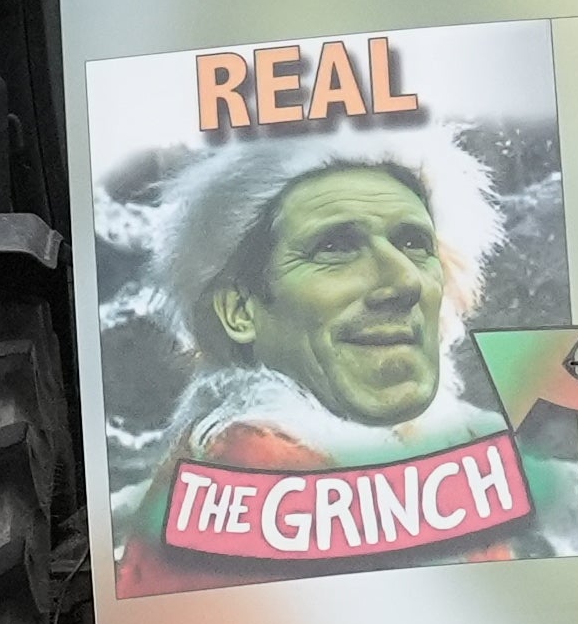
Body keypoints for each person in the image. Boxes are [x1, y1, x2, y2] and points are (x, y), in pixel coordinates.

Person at [111, 126, 554, 590]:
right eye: (337, 247)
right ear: (240, 310)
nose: (404, 282)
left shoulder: (446, 465)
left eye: (413, 243)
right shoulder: (249, 472)